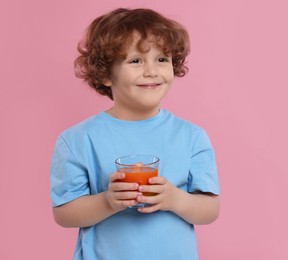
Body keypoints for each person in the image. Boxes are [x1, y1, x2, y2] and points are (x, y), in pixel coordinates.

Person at [50, 8, 220, 260]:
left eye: (162, 59)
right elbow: (64, 214)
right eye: (136, 60)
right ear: (106, 74)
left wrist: (175, 199)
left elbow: (210, 209)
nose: (151, 70)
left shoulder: (191, 136)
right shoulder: (77, 140)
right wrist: (108, 201)